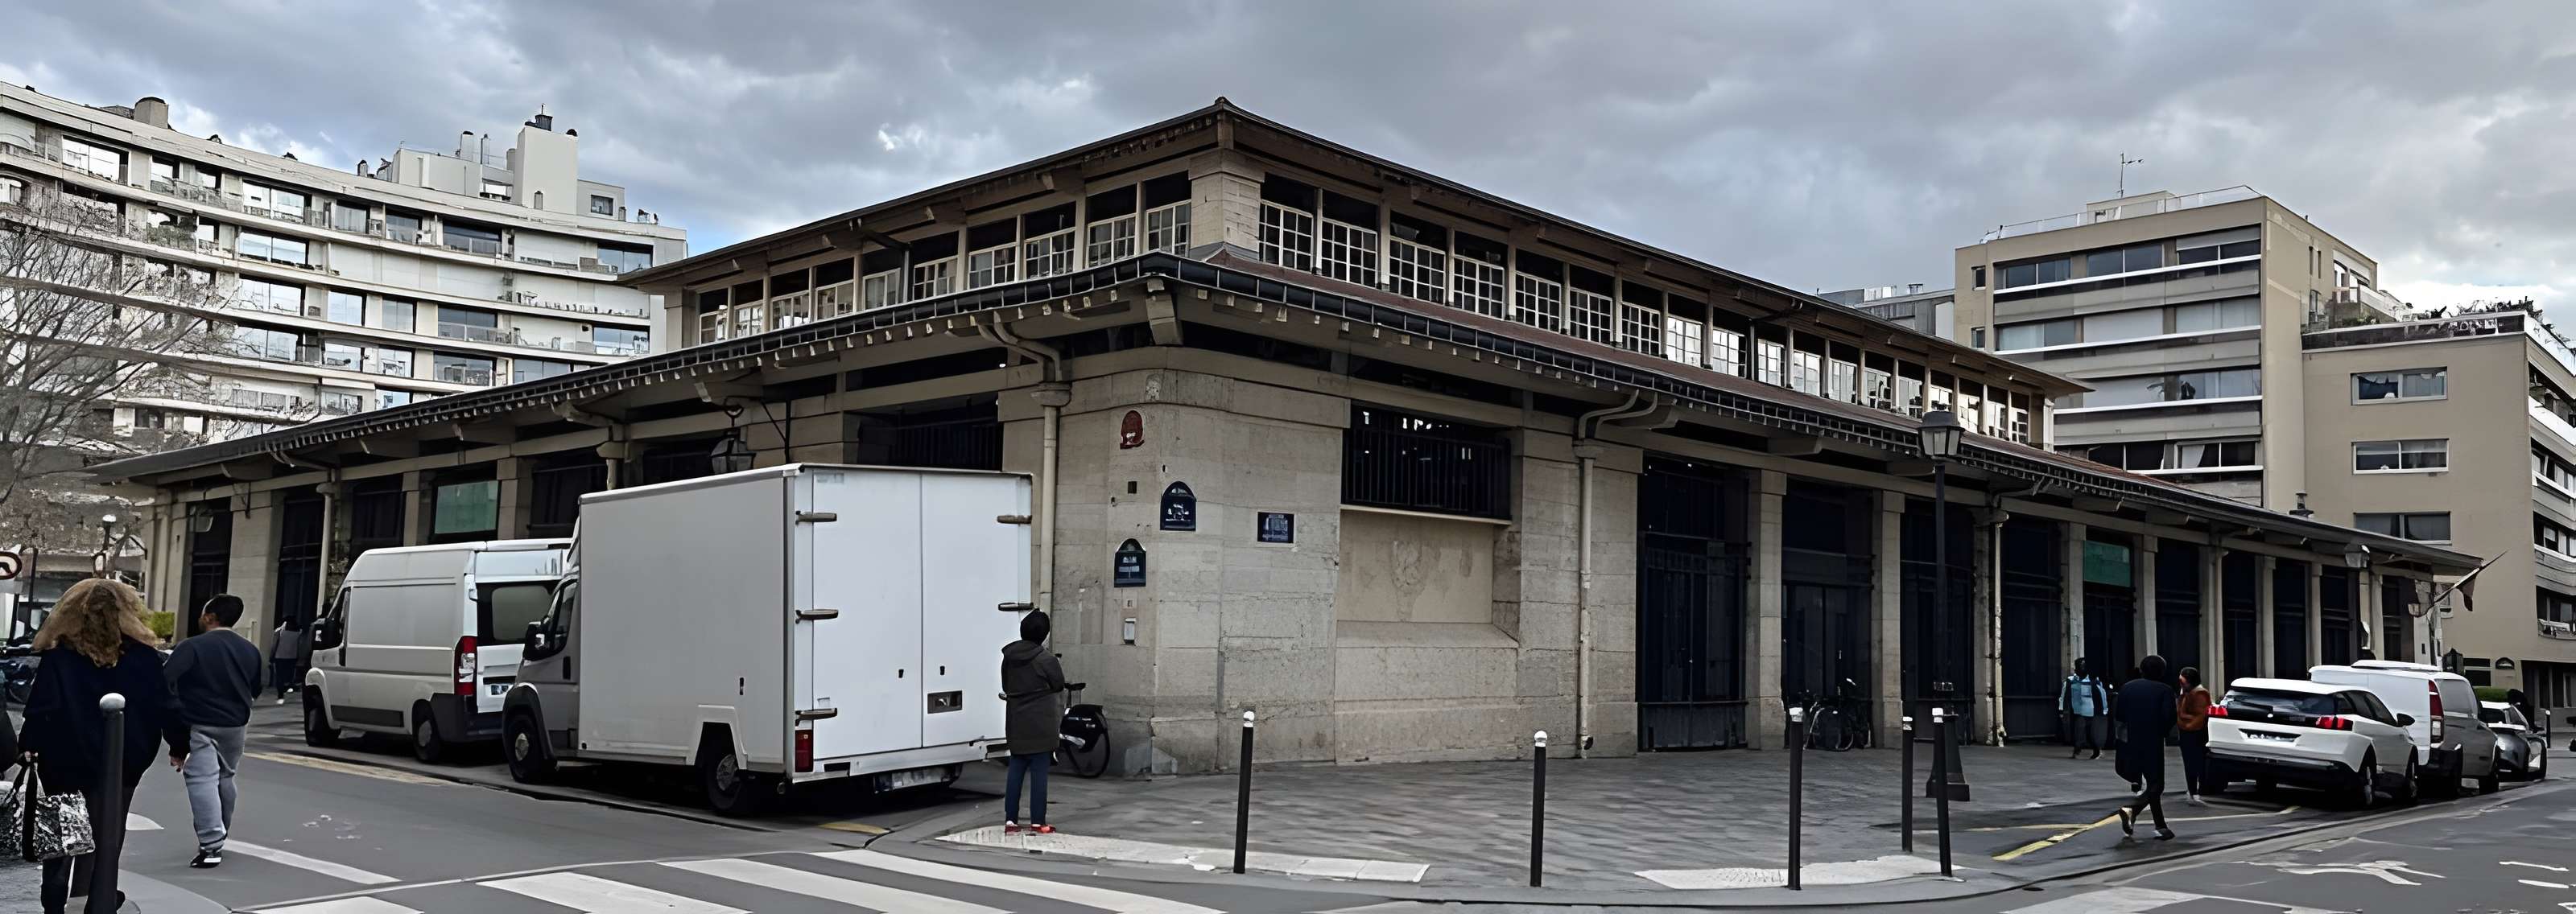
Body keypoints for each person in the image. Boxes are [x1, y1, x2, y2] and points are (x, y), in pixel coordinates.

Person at [15, 578, 189, 914]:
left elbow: (41, 707)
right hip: (125, 756)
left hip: (64, 757)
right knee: (109, 827)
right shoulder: (144, 657)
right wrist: (179, 744)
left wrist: (29, 744)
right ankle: (99, 896)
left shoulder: (61, 656)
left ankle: (54, 896)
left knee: (62, 828)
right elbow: (167, 706)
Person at [165, 595, 262, 868]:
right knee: (226, 776)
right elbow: (256, 687)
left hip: (200, 723)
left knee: (202, 780)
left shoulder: (191, 647)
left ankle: (211, 845)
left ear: (210, 617)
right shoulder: (250, 650)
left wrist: (176, 734)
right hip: (236, 725)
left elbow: (166, 681)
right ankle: (221, 832)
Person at [999, 610, 1066, 835]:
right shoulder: (1047, 660)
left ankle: (1011, 820)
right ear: (1044, 635)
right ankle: (1038, 821)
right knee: (1039, 774)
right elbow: (1059, 684)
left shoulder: (1008, 657)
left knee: (1016, 770)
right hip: (1041, 722)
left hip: (1016, 720)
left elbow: (1007, 685)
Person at [2112, 654, 2178, 840]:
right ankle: (2132, 809)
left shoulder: (2127, 687)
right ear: (2162, 672)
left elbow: (2119, 716)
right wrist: (2162, 732)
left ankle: (2160, 826)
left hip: (2129, 741)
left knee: (2150, 785)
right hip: (2152, 741)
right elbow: (2169, 717)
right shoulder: (2165, 690)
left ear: (2141, 670)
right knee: (2156, 784)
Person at [2060, 657, 2112, 760]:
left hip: (2089, 709)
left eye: (2083, 666)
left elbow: (2102, 694)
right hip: (2076, 710)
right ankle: (2083, 748)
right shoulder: (2071, 681)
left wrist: (2104, 709)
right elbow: (2064, 695)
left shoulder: (2093, 680)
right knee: (2080, 730)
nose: (2081, 668)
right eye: (2079, 666)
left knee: (2085, 730)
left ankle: (2083, 748)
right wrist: (2062, 709)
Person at [2176, 666, 2213, 804]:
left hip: (2194, 733)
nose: (2181, 684)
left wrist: (2184, 722)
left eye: (2183, 681)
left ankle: (2196, 789)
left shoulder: (2199, 694)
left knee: (2194, 762)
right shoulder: (2188, 693)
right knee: (2192, 762)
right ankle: (2194, 789)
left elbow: (2198, 717)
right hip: (2190, 732)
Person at [270, 617, 304, 704]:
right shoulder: (299, 632)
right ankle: (288, 687)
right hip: (292, 657)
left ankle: (281, 694)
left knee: (279, 676)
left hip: (280, 656)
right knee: (289, 676)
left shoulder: (279, 631)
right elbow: (300, 646)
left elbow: (274, 645)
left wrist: (271, 656)